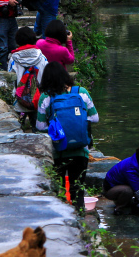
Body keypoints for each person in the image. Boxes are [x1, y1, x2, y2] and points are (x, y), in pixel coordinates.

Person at [35, 62, 99, 196]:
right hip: (81, 150)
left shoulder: (46, 97)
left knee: (59, 191)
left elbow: (40, 127)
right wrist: (78, 122)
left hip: (57, 150)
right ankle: (80, 214)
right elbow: (95, 118)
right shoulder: (81, 92)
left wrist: (58, 129)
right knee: (78, 189)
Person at [8, 26, 48, 126]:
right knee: (38, 128)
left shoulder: (14, 59)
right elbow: (47, 77)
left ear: (17, 41)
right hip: (38, 100)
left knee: (17, 127)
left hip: (19, 101)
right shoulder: (42, 57)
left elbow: (10, 80)